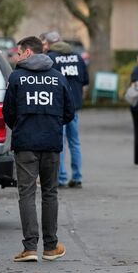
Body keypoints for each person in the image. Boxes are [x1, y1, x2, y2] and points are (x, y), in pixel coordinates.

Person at [3, 36, 74, 262]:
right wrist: (50, 126)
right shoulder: (58, 78)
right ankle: (51, 246)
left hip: (25, 144)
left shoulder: (16, 78)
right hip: (51, 143)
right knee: (50, 193)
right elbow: (69, 112)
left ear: (28, 53)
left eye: (20, 52)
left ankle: (30, 247)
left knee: (26, 193)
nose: (17, 56)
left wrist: (22, 127)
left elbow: (8, 112)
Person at [46, 38, 89, 188]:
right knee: (75, 143)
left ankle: (61, 178)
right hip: (74, 105)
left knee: (60, 143)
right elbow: (85, 80)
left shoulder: (52, 58)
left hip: (58, 107)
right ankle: (77, 177)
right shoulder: (77, 57)